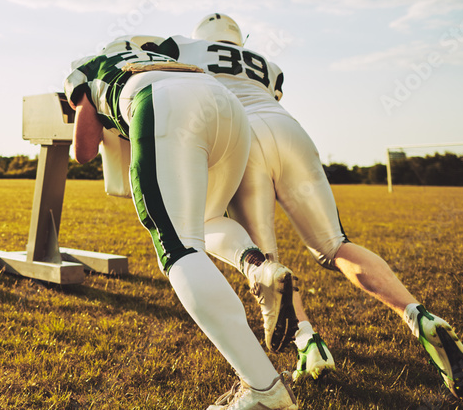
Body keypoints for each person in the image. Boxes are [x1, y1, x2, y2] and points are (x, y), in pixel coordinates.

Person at [126, 14, 463, 402]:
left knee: (268, 264)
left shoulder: (181, 45)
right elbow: (271, 95)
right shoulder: (267, 65)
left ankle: (307, 340)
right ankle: (418, 315)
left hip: (240, 134)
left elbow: (146, 62)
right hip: (289, 131)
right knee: (335, 245)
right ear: (238, 38)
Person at [66, 37, 299, 410]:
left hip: (163, 102)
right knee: (207, 219)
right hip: (224, 104)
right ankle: (258, 267)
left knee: (177, 247)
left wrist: (88, 109)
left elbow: (84, 150)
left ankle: (263, 388)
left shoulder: (89, 65)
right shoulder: (155, 54)